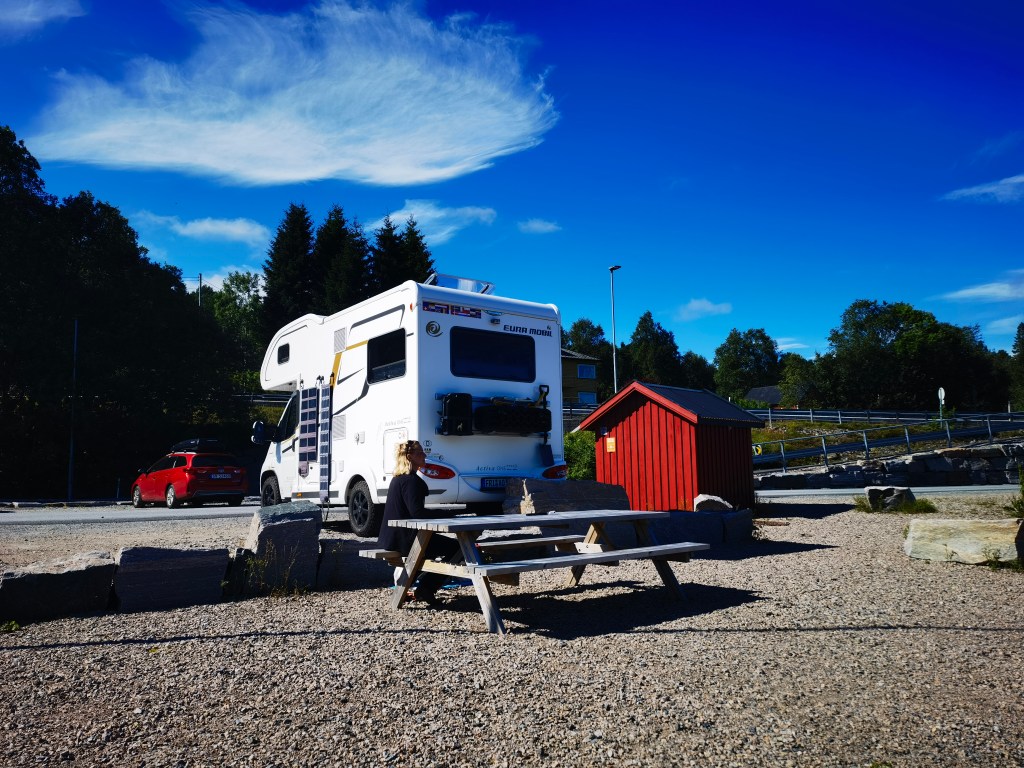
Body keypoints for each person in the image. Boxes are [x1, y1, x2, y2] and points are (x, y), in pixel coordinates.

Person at [377, 440, 461, 605]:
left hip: (395, 537)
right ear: (409, 457)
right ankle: (427, 587)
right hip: (405, 539)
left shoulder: (399, 479)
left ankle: (417, 585)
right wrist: (445, 514)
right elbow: (418, 513)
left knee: (438, 548)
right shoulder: (411, 481)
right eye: (419, 453)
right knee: (457, 548)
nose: (424, 455)